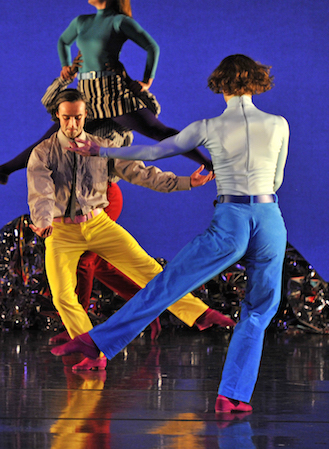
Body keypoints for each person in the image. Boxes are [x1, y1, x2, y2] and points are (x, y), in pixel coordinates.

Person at [53, 54, 289, 413]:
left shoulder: (208, 126)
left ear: (221, 86)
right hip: (270, 218)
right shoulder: (279, 124)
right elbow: (276, 180)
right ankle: (233, 396)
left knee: (169, 284)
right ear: (256, 83)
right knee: (257, 311)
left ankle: (97, 341)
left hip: (232, 217)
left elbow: (155, 150)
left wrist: (101, 148)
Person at [28, 88, 232, 372]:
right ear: (58, 117)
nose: (72, 125)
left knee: (149, 269)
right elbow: (41, 191)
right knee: (63, 295)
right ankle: (94, 350)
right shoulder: (43, 152)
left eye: (77, 118)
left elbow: (142, 173)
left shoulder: (101, 147)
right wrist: (43, 220)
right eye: (66, 119)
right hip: (61, 232)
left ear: (86, 115)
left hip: (98, 223)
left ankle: (200, 314)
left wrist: (187, 182)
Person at [0, 0, 210, 188]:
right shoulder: (82, 21)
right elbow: (63, 42)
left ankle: (208, 162)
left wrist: (146, 81)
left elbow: (152, 47)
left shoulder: (119, 21)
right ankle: (3, 170)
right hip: (85, 94)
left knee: (157, 130)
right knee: (50, 140)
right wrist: (65, 66)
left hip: (112, 92)